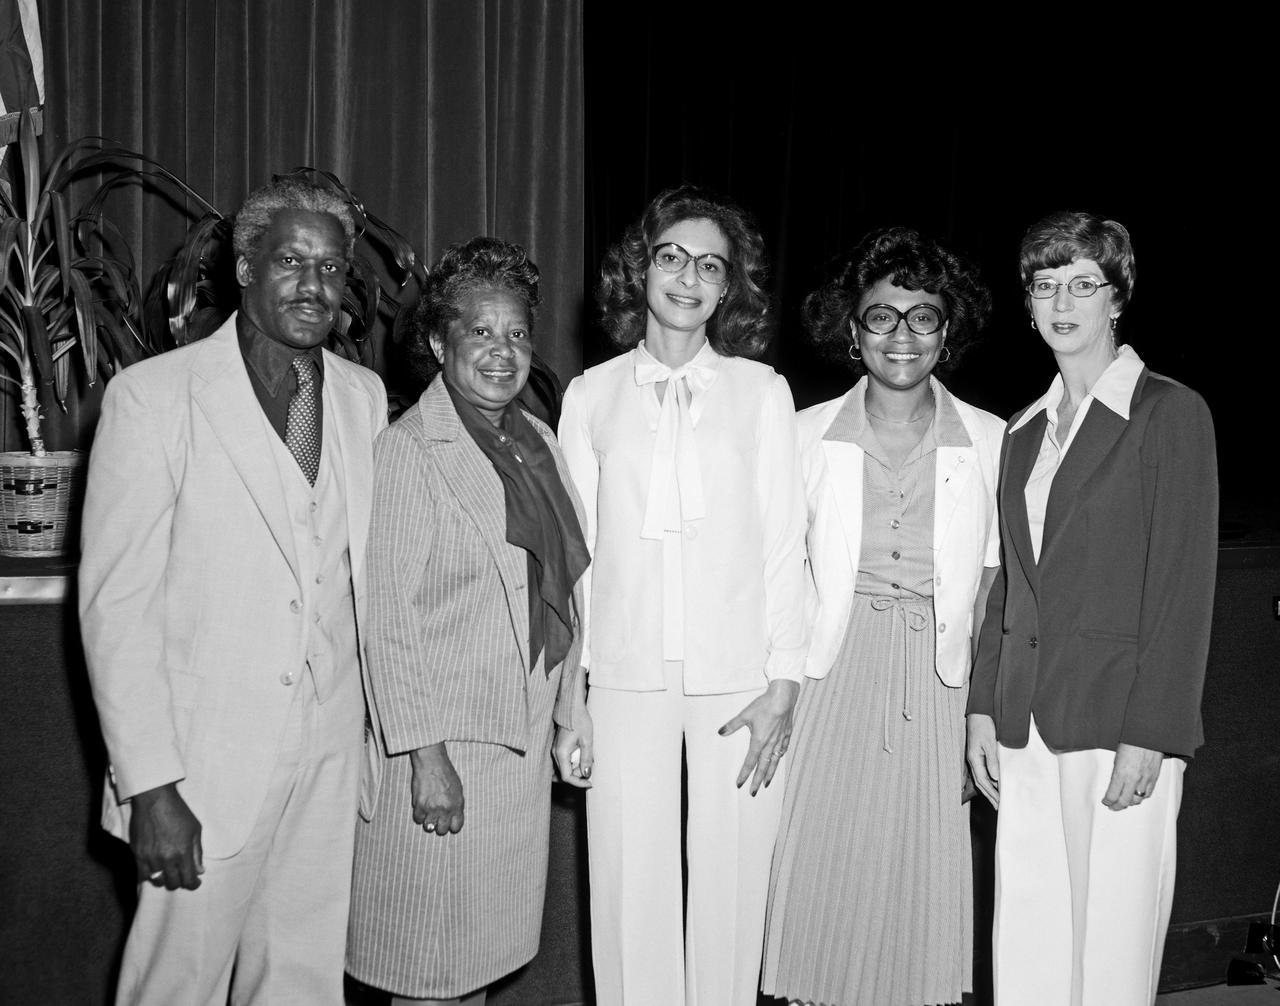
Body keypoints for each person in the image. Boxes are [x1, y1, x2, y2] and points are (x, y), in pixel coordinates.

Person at [79, 179, 389, 1005]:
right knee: (173, 988)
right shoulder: (152, 399)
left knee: (301, 985)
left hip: (326, 763)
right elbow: (118, 609)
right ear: (243, 267)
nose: (314, 284)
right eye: (291, 259)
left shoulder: (362, 398)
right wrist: (149, 785)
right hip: (202, 770)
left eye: (331, 266)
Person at [555, 185, 807, 1006]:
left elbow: (782, 544)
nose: (689, 278)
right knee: (630, 885)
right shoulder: (590, 396)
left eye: (711, 265)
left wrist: (785, 682)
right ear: (642, 267)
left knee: (733, 883)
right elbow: (575, 558)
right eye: (672, 257)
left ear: (730, 288)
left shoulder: (761, 393)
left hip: (738, 675)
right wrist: (575, 693)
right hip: (624, 672)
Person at [966, 210, 1218, 1006]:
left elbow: (1183, 587)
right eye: (1045, 285)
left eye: (1083, 283)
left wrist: (1155, 730)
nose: (1062, 301)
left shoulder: (1170, 413)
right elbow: (1009, 579)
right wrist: (980, 708)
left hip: (1119, 721)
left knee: (1112, 943)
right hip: (1026, 718)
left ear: (1118, 297)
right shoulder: (1022, 429)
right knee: (1030, 937)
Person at [345, 237, 589, 1006]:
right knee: (427, 968)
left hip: (511, 756)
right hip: (445, 753)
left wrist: (568, 716)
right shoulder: (411, 452)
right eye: (480, 332)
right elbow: (385, 620)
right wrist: (425, 758)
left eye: (516, 333)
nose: (502, 351)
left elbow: (560, 595)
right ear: (438, 342)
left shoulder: (536, 443)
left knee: (473, 967)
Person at [762, 227, 1001, 1006]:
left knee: (920, 873)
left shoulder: (993, 441)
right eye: (881, 315)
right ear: (852, 330)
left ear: (948, 329)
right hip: (834, 669)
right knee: (823, 864)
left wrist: (985, 709)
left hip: (941, 679)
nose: (902, 334)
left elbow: (998, 582)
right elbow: (773, 573)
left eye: (923, 315)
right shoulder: (800, 436)